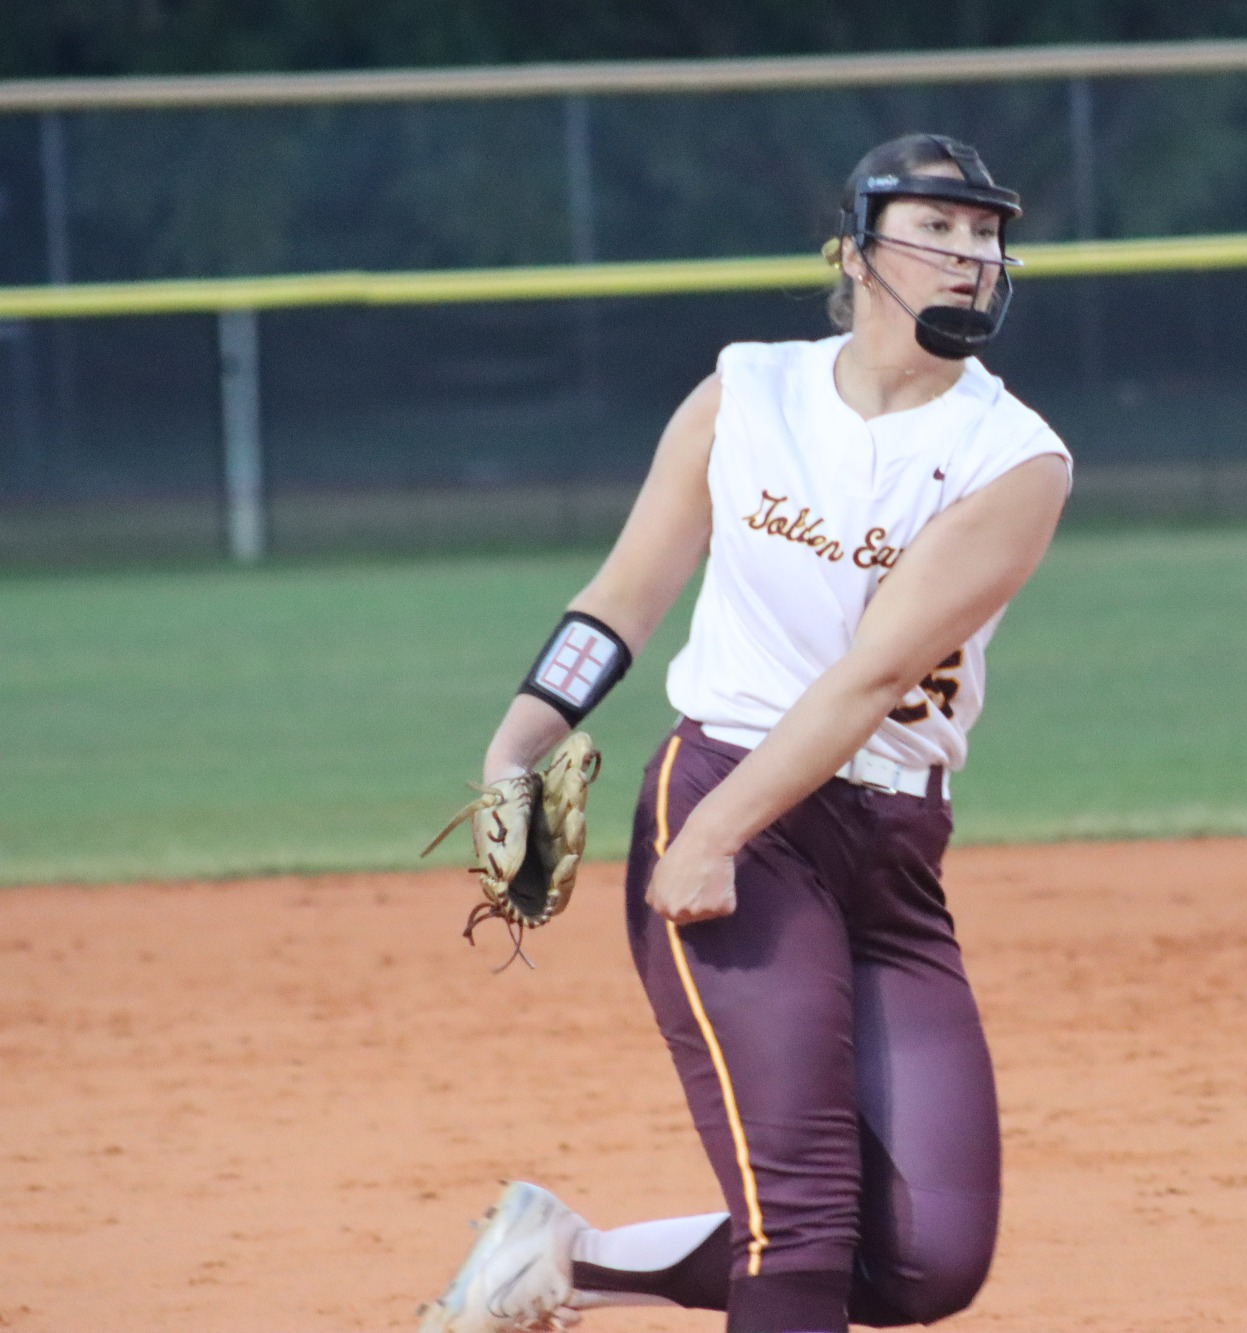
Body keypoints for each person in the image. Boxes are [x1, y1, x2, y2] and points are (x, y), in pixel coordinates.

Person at [416, 133, 1072, 1333]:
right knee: (805, 1213)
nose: (971, 256)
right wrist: (515, 749)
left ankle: (567, 1258)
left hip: (880, 845)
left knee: (927, 1259)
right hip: (729, 793)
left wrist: (713, 831)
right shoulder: (746, 392)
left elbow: (870, 678)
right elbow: (620, 601)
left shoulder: (1014, 458)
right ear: (855, 254)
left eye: (985, 235)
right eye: (938, 230)